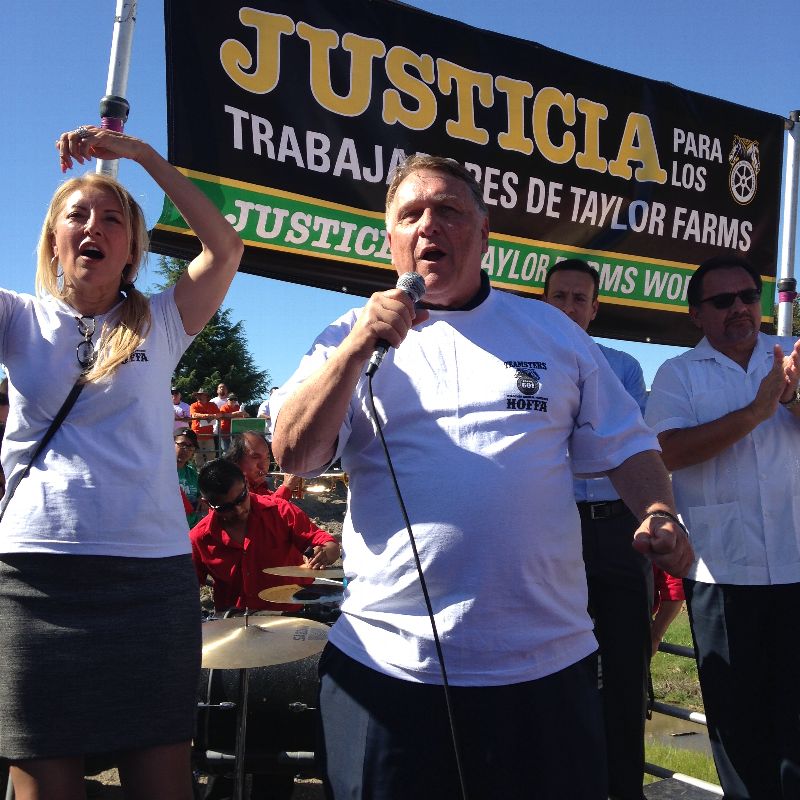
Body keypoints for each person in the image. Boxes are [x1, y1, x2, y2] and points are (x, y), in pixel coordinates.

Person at [270, 155, 693, 800]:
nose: (428, 225)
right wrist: (355, 349)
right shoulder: (344, 337)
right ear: (390, 237)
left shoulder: (551, 332)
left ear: (485, 232)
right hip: (389, 666)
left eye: (449, 210)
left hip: (545, 666)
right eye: (411, 214)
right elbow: (294, 454)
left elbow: (628, 445)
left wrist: (658, 511)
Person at [0, 124, 243, 799]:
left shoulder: (162, 322)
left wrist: (140, 156)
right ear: (53, 240)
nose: (93, 227)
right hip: (36, 577)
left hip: (150, 579)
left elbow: (226, 247)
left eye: (112, 219)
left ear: (133, 250)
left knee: (162, 782)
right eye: (77, 216)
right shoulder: (17, 319)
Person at [645, 253, 800, 800]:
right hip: (722, 574)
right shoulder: (677, 374)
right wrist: (756, 412)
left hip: (796, 567)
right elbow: (667, 452)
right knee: (738, 732)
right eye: (722, 300)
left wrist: (791, 399)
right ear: (696, 314)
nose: (739, 308)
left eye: (747, 297)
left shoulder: (790, 358)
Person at [542, 258, 652, 800]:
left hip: (619, 531)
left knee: (626, 667)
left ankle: (625, 788)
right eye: (559, 297)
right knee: (556, 664)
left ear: (595, 308)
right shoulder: (524, 369)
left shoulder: (623, 367)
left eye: (579, 299)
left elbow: (628, 445)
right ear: (544, 303)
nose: (568, 308)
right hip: (554, 531)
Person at [190, 459, 339, 612]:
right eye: (225, 507)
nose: (239, 510)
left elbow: (329, 544)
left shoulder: (281, 512)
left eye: (241, 498)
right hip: (233, 622)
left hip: (289, 618)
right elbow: (186, 588)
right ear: (207, 503)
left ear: (246, 483)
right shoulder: (199, 538)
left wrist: (324, 552)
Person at [224, 430, 301, 500]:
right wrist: (287, 487)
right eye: (255, 457)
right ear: (236, 460)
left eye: (267, 457)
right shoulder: (234, 489)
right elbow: (264, 508)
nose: (263, 466)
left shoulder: (260, 486)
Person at [175, 427, 202, 527]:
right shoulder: (162, 472)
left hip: (191, 528)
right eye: (182, 445)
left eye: (190, 446)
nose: (186, 450)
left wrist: (202, 499)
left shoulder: (193, 474)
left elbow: (202, 495)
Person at [190, 387, 218, 466]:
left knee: (211, 456)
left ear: (206, 396)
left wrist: (213, 416)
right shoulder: (193, 405)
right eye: (197, 395)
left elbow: (219, 414)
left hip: (209, 435)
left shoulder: (212, 405)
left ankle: (211, 471)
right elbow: (194, 415)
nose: (198, 397)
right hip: (196, 435)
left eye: (201, 395)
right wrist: (207, 416)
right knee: (198, 457)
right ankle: (199, 472)